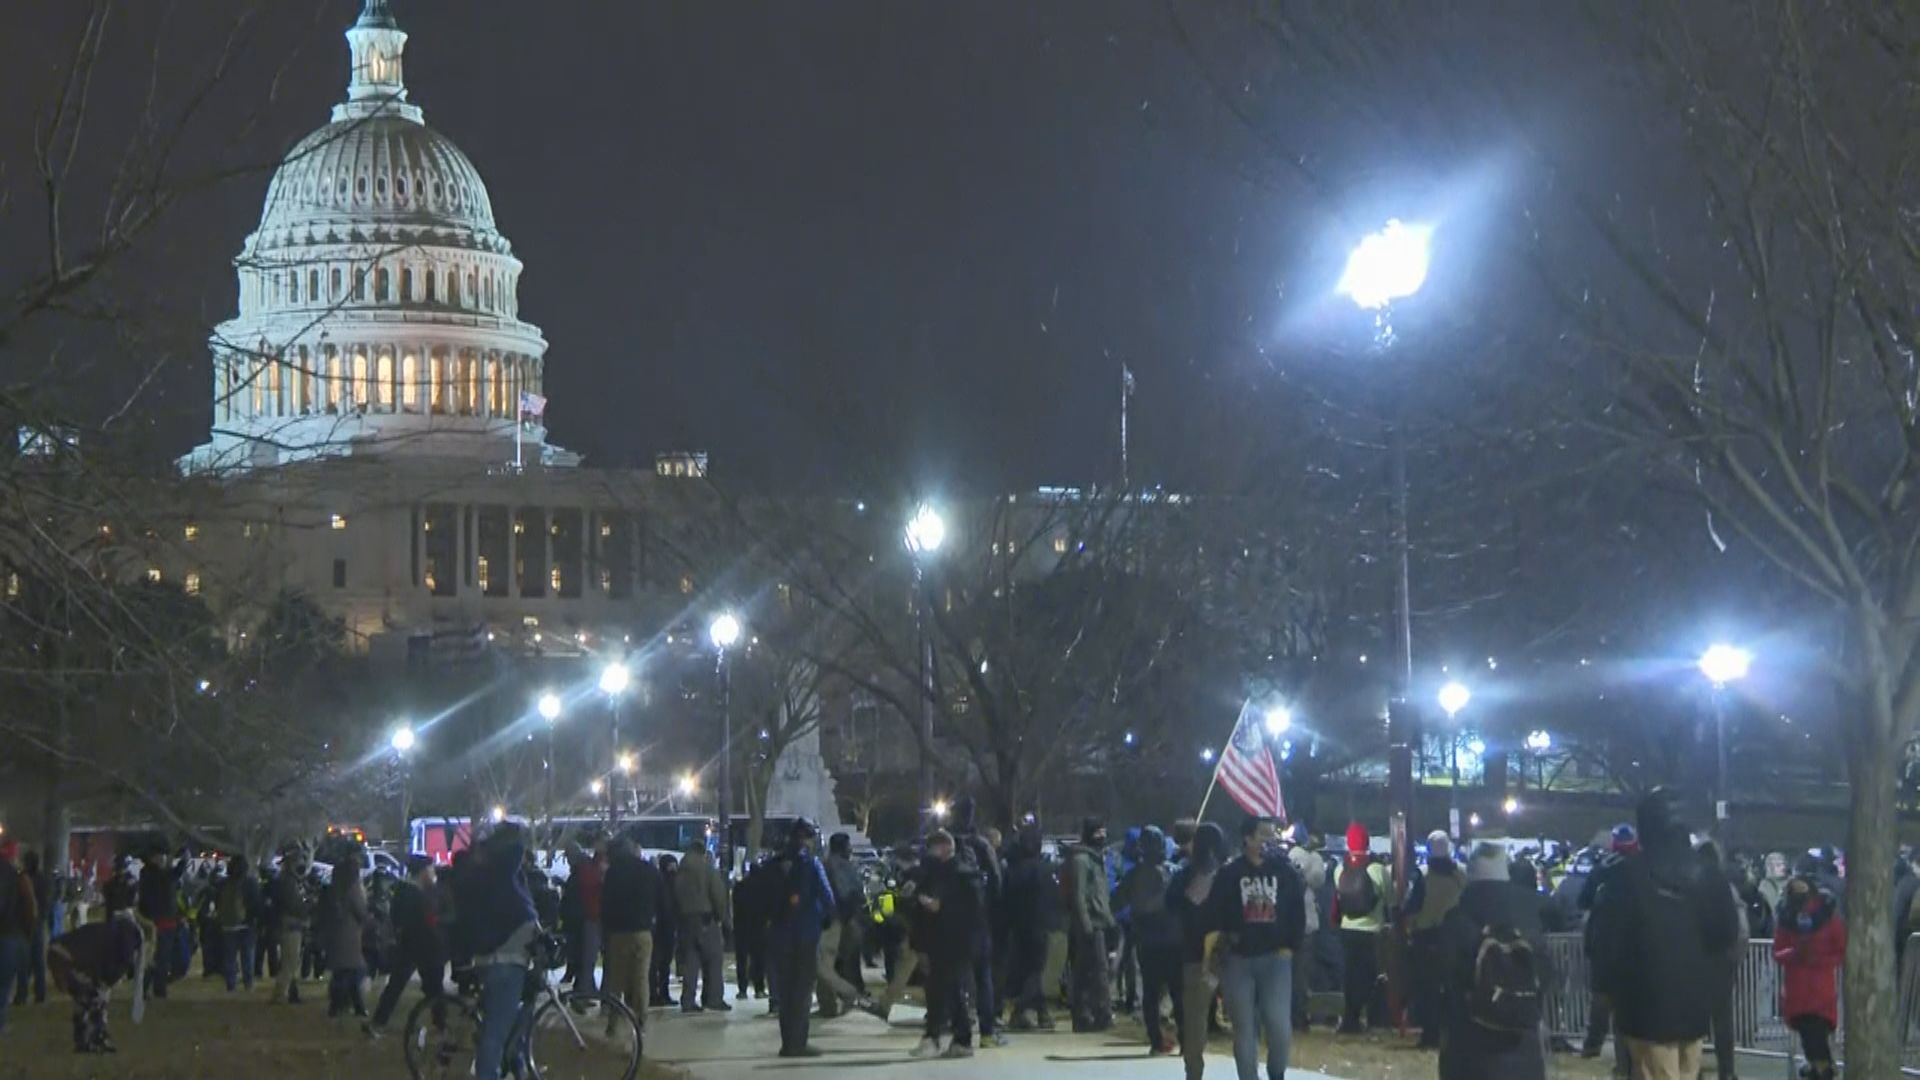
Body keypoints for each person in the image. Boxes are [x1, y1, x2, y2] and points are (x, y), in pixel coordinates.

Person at [1588, 789, 1739, 1080]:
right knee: (1686, 1070)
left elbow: (1607, 942)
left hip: (1642, 1004)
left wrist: (1604, 991)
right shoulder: (1708, 873)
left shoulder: (1624, 876)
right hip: (1695, 1002)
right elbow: (1726, 933)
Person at [1205, 816, 1306, 1080]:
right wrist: (1216, 951)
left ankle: (1276, 1073)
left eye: (1273, 834)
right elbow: (1215, 914)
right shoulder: (1230, 873)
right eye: (1263, 834)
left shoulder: (1286, 872)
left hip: (1276, 959)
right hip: (1238, 960)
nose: (1269, 840)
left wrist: (1291, 946)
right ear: (1247, 838)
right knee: (1244, 1028)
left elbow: (1298, 912)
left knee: (1279, 1026)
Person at [1437, 843, 1548, 1080]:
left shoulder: (1457, 918)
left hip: (1471, 1045)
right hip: (1523, 1042)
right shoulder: (1533, 912)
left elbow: (1446, 976)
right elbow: (1548, 972)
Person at [457, 823, 540, 1080]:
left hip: (499, 956)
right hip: (504, 958)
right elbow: (518, 910)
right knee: (496, 1031)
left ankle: (516, 1067)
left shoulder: (487, 871)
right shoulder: (502, 872)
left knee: (508, 1021)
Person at [766, 818, 835, 1058]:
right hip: (806, 934)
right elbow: (828, 899)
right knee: (803, 990)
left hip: (779, 933)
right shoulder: (811, 864)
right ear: (807, 838)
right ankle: (799, 1043)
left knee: (785, 991)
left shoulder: (774, 864)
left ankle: (787, 1043)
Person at [911, 829, 982, 1059]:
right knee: (940, 990)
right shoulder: (946, 872)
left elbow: (965, 910)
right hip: (944, 941)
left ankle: (953, 1038)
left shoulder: (959, 874)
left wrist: (935, 905)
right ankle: (939, 1037)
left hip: (953, 941)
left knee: (950, 990)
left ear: (942, 847)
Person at [1114, 824, 1180, 1054]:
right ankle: (1174, 1040)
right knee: (1173, 992)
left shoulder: (1136, 875)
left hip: (1152, 940)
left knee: (1154, 993)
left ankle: (1158, 1040)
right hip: (1166, 940)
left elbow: (1117, 902)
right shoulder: (1172, 872)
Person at [1773, 871, 1845, 1080]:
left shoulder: (1827, 915)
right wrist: (1795, 954)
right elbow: (1778, 951)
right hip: (1800, 989)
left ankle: (1822, 1069)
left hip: (1817, 989)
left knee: (1815, 1036)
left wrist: (1817, 958)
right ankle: (1820, 1068)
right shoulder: (1787, 916)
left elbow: (1839, 948)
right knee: (1809, 1036)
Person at [1168, 822, 1224, 1080]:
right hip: (1227, 956)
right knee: (1243, 1022)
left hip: (1193, 956)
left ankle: (1194, 1075)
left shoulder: (1182, 877)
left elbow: (1171, 907)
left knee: (1194, 1025)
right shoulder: (1227, 877)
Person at [1578, 824, 1636, 1073]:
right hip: (1631, 947)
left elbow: (1583, 899)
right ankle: (1625, 1062)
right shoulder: (1640, 869)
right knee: (1626, 1006)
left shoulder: (1603, 869)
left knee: (1601, 1002)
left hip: (1603, 944)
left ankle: (1592, 1048)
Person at [369, 856, 447, 1035]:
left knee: (396, 986)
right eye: (430, 869)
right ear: (422, 872)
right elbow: (426, 921)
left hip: (409, 947)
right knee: (434, 989)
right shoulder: (418, 894)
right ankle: (441, 1025)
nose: (433, 873)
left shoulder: (404, 892)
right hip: (423, 947)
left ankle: (379, 1022)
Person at [48, 913, 145, 1053]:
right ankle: (96, 1037)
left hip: (60, 950)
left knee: (83, 999)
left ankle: (83, 1039)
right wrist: (108, 981)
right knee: (95, 998)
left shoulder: (108, 930)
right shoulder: (129, 936)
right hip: (70, 959)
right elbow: (123, 960)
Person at [949, 799, 1004, 1045]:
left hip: (951, 921)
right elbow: (996, 880)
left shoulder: (944, 844)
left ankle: (961, 1032)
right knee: (983, 977)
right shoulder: (981, 845)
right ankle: (988, 1032)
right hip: (979, 920)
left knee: (956, 977)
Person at [1405, 830, 1464, 1048]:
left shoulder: (1423, 874)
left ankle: (1430, 1034)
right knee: (1451, 987)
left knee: (1427, 988)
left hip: (1426, 937)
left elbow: (1413, 907)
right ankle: (1452, 1032)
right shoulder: (1461, 875)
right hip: (1453, 938)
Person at [600, 837, 662, 1039]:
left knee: (616, 980)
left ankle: (613, 1024)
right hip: (643, 931)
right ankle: (641, 1021)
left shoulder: (613, 873)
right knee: (641, 977)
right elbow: (661, 898)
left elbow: (606, 903)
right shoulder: (648, 870)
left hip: (618, 932)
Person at [1697, 842, 1748, 1080]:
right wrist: (1733, 957)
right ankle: (1726, 1070)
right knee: (1723, 1019)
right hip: (1722, 960)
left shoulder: (1690, 884)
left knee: (1694, 1019)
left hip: (1695, 961)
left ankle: (1692, 1068)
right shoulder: (1726, 887)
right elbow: (1741, 927)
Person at [1333, 822, 1389, 1034]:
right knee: (1372, 974)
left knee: (1350, 975)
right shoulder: (1377, 869)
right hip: (1373, 930)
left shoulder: (1340, 868)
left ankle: (1351, 1018)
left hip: (1347, 928)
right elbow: (1391, 898)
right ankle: (1374, 1018)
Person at [1001, 825, 1058, 1030]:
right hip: (1038, 925)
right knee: (1035, 970)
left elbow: (1005, 900)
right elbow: (1051, 898)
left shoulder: (1012, 870)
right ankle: (1021, 1009)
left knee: (1027, 969)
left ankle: (1041, 1013)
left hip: (1018, 927)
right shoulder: (1042, 869)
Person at [1066, 817, 1116, 1032]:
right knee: (1099, 971)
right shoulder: (1082, 861)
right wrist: (1085, 924)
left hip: (1100, 921)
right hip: (1091, 923)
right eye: (1098, 833)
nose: (1102, 837)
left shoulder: (1097, 859)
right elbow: (1078, 896)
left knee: (1085, 971)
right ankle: (1102, 1014)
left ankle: (1084, 1014)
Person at [671, 840, 730, 1012]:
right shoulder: (707, 869)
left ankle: (688, 1000)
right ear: (702, 852)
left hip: (686, 920)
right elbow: (718, 894)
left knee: (691, 960)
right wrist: (720, 916)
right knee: (713, 959)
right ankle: (713, 998)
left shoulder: (681, 871)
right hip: (706, 918)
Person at [816, 831, 871, 1017]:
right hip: (846, 918)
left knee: (825, 963)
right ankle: (837, 1001)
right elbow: (852, 893)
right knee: (842, 961)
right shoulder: (845, 866)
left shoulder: (827, 865)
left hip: (834, 920)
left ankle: (831, 1003)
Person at [1284, 828, 1326, 1031]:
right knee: (1302, 975)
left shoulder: (1289, 863)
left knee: (1289, 976)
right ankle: (1299, 1016)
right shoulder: (1315, 865)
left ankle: (1290, 1015)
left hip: (1289, 930)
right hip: (1308, 928)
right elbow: (1320, 881)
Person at [322, 860, 371, 1019]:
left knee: (342, 972)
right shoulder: (354, 888)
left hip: (336, 934)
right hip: (350, 935)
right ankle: (351, 1006)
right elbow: (361, 912)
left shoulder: (334, 889)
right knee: (356, 972)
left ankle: (344, 1006)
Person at [0, 840, 39, 1034]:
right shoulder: (18, 877)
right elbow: (31, 908)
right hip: (10, 935)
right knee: (3, 984)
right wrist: (27, 934)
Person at [136, 848, 182, 999]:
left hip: (149, 921)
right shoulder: (157, 876)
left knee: (152, 956)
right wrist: (183, 862)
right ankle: (158, 988)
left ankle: (145, 987)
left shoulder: (146, 875)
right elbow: (172, 877)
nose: (162, 859)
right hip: (163, 922)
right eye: (160, 856)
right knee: (161, 957)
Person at [271, 847, 315, 1004]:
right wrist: (310, 904)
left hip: (292, 924)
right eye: (298, 861)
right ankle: (280, 994)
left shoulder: (293, 881)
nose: (301, 864)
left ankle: (289, 993)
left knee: (291, 961)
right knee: (289, 962)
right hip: (290, 925)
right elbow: (294, 905)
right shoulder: (288, 883)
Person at [216, 854, 262, 993]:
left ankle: (231, 984)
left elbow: (217, 902)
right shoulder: (250, 883)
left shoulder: (224, 883)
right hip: (246, 925)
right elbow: (257, 904)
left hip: (228, 925)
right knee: (247, 956)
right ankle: (248, 983)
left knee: (230, 956)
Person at [12, 849, 51, 1008]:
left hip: (25, 924)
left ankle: (22, 995)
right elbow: (47, 901)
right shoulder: (44, 879)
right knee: (38, 962)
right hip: (39, 923)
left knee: (23, 962)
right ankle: (40, 994)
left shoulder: (23, 879)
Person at [733, 855, 771, 1001]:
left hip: (741, 926)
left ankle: (742, 990)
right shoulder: (764, 888)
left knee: (741, 960)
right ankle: (759, 988)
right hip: (758, 927)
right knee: (758, 959)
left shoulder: (740, 886)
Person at [652, 853, 679, 1007]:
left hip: (662, 926)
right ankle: (661, 993)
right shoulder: (670, 882)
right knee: (661, 963)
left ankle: (660, 993)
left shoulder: (659, 880)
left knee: (661, 963)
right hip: (665, 927)